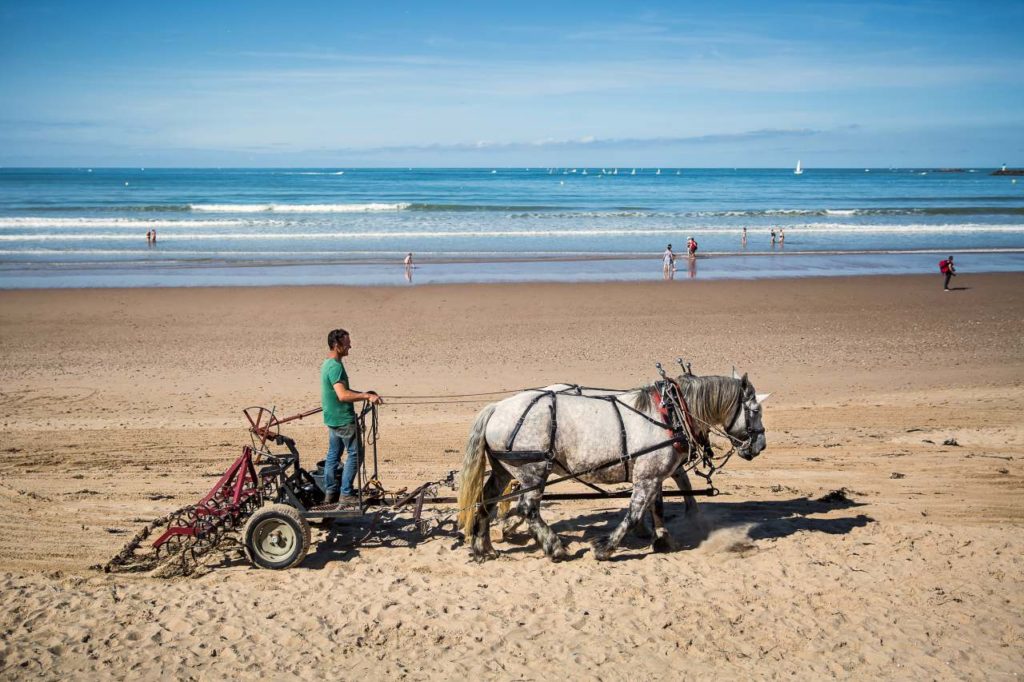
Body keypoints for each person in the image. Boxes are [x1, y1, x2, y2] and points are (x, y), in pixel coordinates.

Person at [320, 328, 382, 505]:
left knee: (333, 455)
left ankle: (330, 492)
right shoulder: (335, 367)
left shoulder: (327, 364)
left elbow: (342, 391)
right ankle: (346, 493)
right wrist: (367, 396)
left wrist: (363, 393)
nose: (350, 347)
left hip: (332, 419)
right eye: (346, 344)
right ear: (337, 345)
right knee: (355, 454)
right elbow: (342, 395)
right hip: (343, 420)